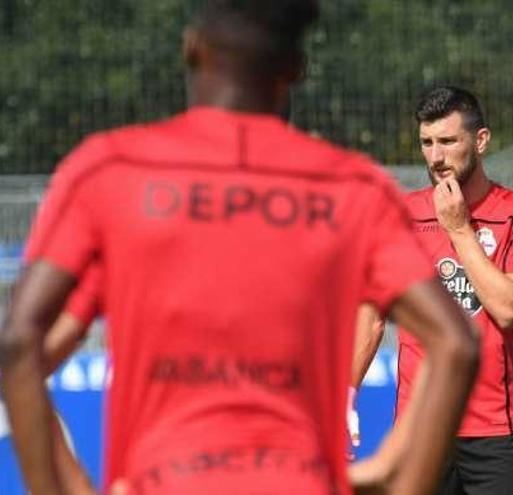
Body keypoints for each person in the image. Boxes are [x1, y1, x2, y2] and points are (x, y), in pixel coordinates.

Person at [0, 2, 480, 494]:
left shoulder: (110, 173)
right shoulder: (352, 188)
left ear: (192, 48)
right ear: (295, 68)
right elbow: (456, 344)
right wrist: (395, 479)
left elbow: (20, 344)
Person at [389, 85, 513, 495]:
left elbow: (509, 308)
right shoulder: (401, 215)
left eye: (447, 141)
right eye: (427, 143)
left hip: (495, 429)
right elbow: (370, 317)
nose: (435, 156)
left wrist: (459, 230)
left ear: (480, 140)